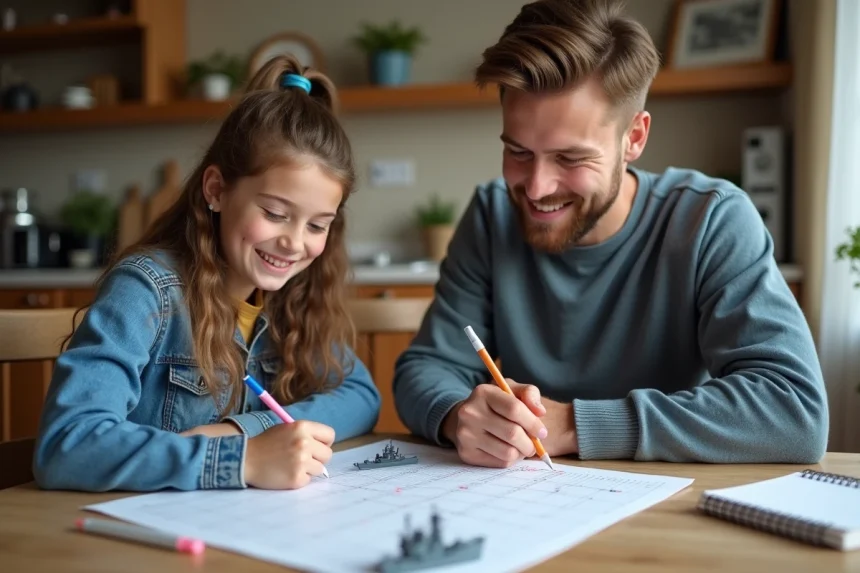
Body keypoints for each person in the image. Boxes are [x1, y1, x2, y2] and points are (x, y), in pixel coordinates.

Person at [392, 0, 828, 466]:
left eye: (571, 159)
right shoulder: (491, 216)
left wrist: (573, 425)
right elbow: (426, 368)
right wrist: (460, 416)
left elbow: (793, 411)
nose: (537, 188)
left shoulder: (710, 221)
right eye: (518, 152)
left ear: (634, 139)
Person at [33, 55, 381, 492]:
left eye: (317, 225)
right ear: (216, 190)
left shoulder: (295, 295)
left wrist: (245, 430)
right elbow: (67, 445)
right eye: (275, 213)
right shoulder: (146, 291)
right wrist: (239, 460)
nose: (294, 242)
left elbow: (362, 396)